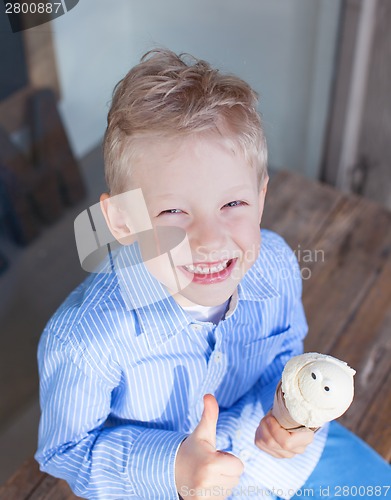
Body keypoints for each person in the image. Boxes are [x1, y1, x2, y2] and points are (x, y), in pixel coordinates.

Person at [35, 49, 391, 500]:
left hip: (264, 440)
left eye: (232, 204)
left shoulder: (276, 265)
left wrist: (289, 415)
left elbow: (282, 354)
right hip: (166, 482)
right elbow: (67, 451)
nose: (209, 239)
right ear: (123, 221)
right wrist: (173, 465)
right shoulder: (83, 340)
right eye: (173, 211)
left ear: (261, 197)